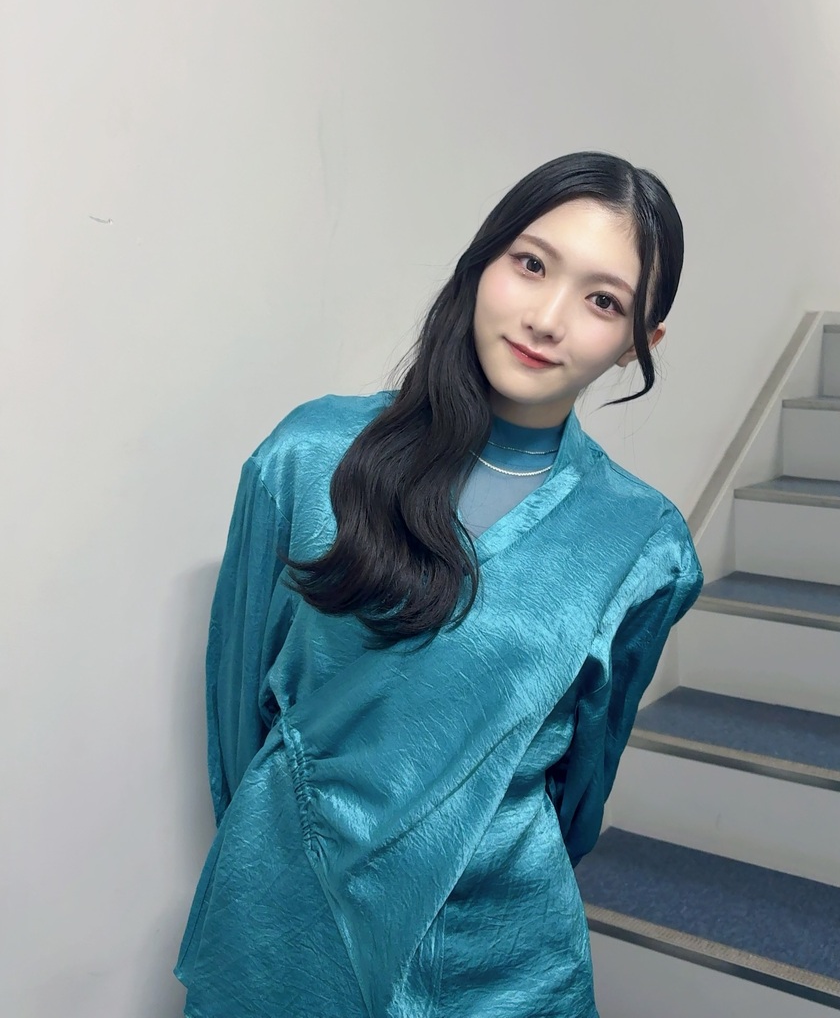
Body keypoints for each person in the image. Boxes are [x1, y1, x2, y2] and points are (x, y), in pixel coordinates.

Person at [174, 150, 704, 1018]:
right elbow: (239, 720)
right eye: (531, 264)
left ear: (639, 343)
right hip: (286, 925)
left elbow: (582, 788)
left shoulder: (643, 543)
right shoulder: (307, 457)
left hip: (501, 955)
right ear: (483, 260)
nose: (547, 318)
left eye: (603, 301)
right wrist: (293, 854)